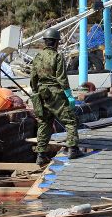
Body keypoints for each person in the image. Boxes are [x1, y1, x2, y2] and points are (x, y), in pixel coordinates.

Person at [30, 28, 83, 165]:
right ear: (55, 43)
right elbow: (62, 78)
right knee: (70, 121)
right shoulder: (57, 57)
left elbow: (33, 79)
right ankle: (73, 149)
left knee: (44, 123)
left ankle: (41, 155)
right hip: (55, 94)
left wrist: (37, 92)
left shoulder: (38, 57)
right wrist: (69, 95)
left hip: (41, 94)